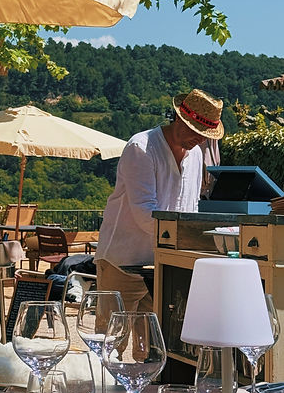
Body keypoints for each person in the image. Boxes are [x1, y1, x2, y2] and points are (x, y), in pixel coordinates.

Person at [95, 88, 224, 312]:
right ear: (179, 119)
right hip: (123, 262)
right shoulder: (142, 147)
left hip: (164, 265)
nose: (201, 139)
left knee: (155, 344)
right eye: (197, 131)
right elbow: (144, 213)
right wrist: (194, 235)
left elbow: (190, 208)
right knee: (111, 341)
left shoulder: (195, 154)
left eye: (205, 135)